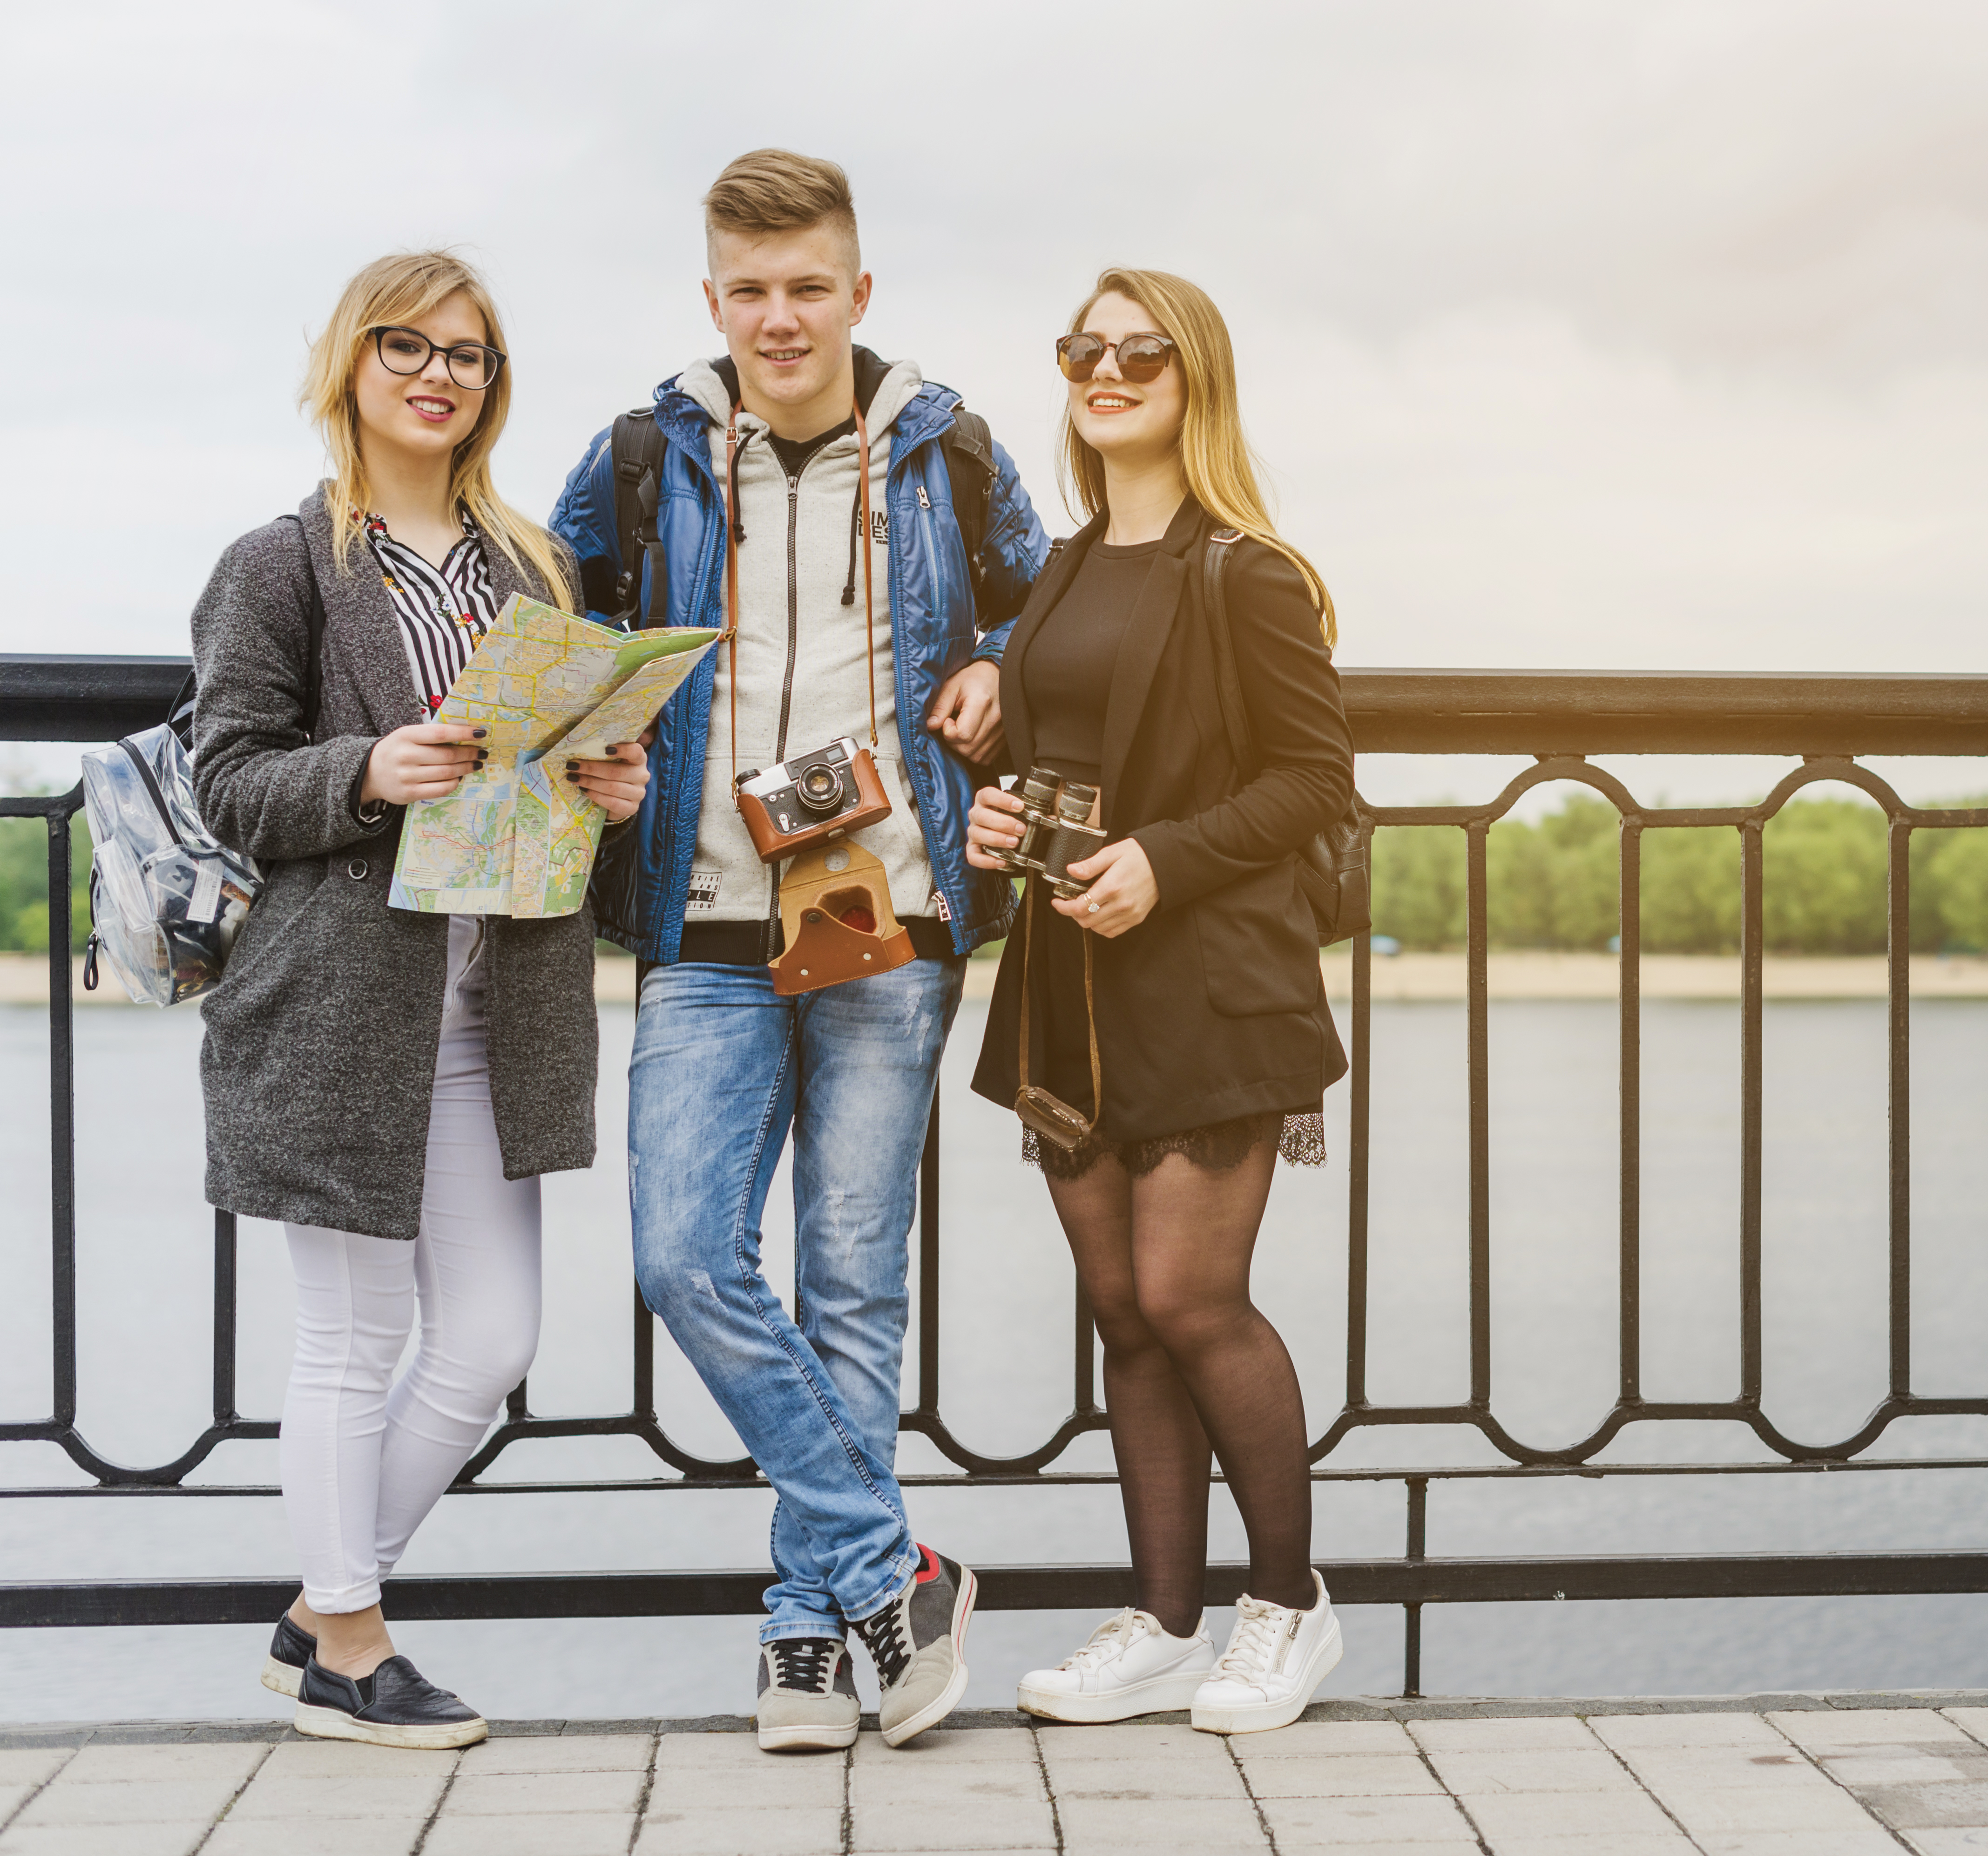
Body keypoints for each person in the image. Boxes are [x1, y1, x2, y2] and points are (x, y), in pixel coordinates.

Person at [550, 149, 1051, 1753]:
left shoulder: (949, 450)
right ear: (714, 299)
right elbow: (551, 638)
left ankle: (808, 1634)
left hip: (889, 919)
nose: (780, 317)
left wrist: (1004, 687)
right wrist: (592, 755)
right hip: (698, 922)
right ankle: (885, 1564)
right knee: (686, 1255)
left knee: (851, 1288)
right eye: (750, 291)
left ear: (858, 291)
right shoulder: (640, 455)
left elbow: (1053, 621)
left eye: (808, 287)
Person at [191, 251, 648, 1748]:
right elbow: (229, 775)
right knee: (350, 1336)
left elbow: (547, 763)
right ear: (351, 364)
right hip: (339, 1011)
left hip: (493, 1004)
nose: (438, 374)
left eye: (468, 354)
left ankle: (325, 1602)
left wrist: (609, 785)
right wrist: (365, 771)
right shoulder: (284, 563)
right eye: (407, 346)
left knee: (491, 1341)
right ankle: (353, 1644)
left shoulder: (531, 568)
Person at [966, 268, 1353, 1735]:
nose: (1106, 370)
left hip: (1205, 980)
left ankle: (1288, 1604)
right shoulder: (1062, 568)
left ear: (1195, 379)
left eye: (1140, 352)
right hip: (1072, 980)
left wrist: (1162, 861)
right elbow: (1059, 752)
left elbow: (1316, 784)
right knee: (1124, 1309)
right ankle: (1167, 1621)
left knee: (1194, 1298)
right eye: (1085, 349)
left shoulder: (1247, 569)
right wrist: (998, 818)